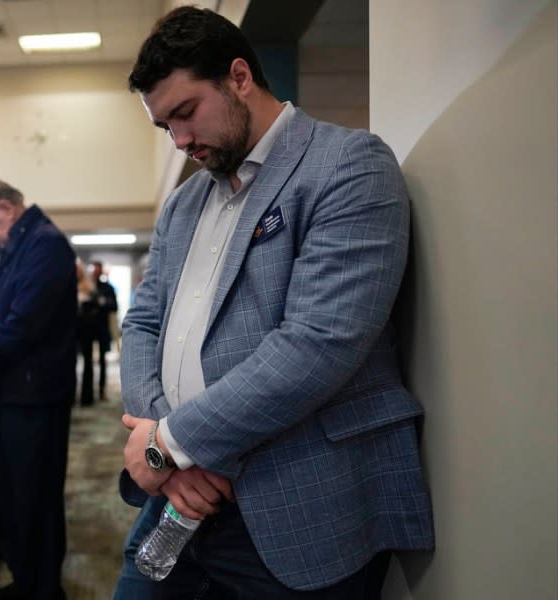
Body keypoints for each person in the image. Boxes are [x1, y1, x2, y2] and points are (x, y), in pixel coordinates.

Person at [115, 7, 435, 599]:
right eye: (166, 129)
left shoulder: (348, 166)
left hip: (297, 505)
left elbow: (317, 345)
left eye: (186, 113)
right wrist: (165, 449)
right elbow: (143, 323)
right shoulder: (184, 206)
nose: (182, 141)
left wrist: (169, 444)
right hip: (180, 498)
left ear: (239, 77)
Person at [0, 177, 77, 600]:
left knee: (37, 499)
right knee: (16, 499)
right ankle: (24, 582)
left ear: (7, 208)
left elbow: (23, 324)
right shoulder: (16, 249)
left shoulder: (45, 244)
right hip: (13, 394)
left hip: (36, 398)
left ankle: (44, 590)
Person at [89, 261, 118, 400]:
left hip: (102, 329)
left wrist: (103, 302)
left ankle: (102, 390)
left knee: (102, 361)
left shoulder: (108, 288)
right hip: (87, 330)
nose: (95, 272)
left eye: (97, 269)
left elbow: (114, 306)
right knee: (88, 361)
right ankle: (88, 393)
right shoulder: (87, 287)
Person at [76, 260, 99, 406]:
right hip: (71, 332)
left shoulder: (90, 288)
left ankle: (87, 397)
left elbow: (96, 310)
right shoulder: (66, 286)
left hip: (87, 331)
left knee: (87, 363)